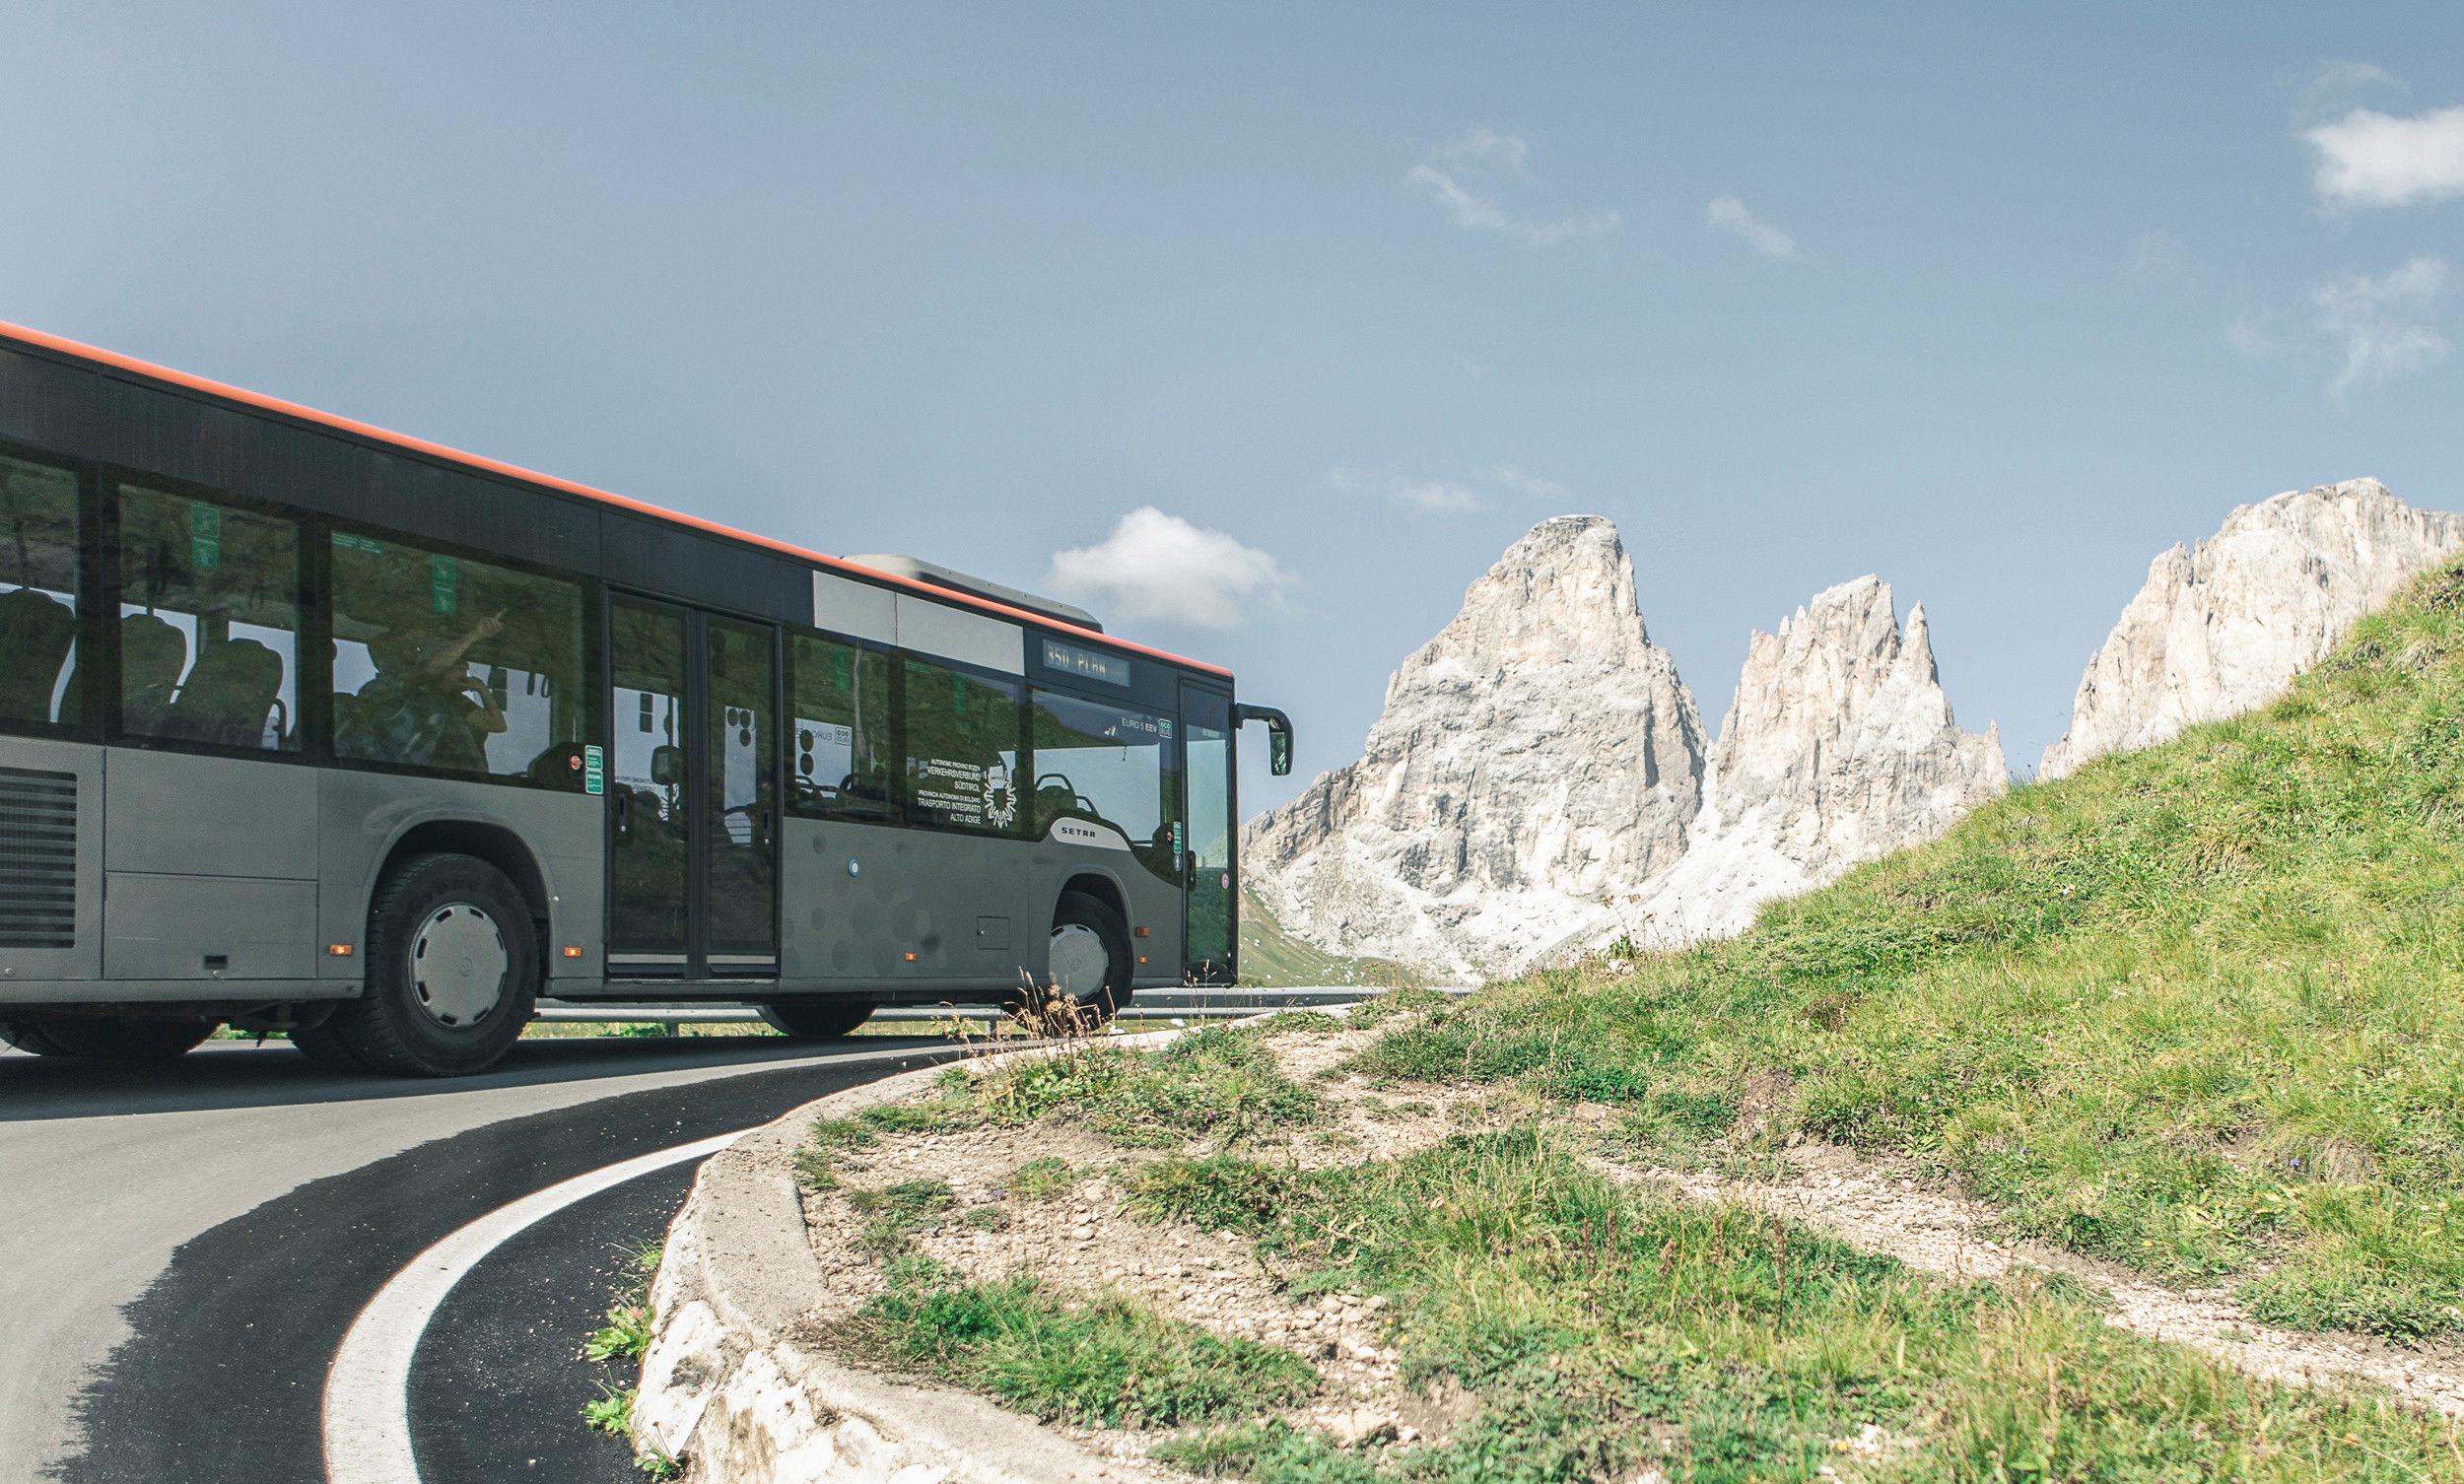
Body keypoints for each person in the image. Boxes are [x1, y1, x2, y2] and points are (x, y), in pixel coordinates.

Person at [340, 610, 507, 768]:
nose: (415, 652)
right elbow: (427, 671)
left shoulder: (446, 700)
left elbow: (496, 724)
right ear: (385, 659)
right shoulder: (379, 689)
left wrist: (482, 690)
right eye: (409, 649)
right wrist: (475, 635)